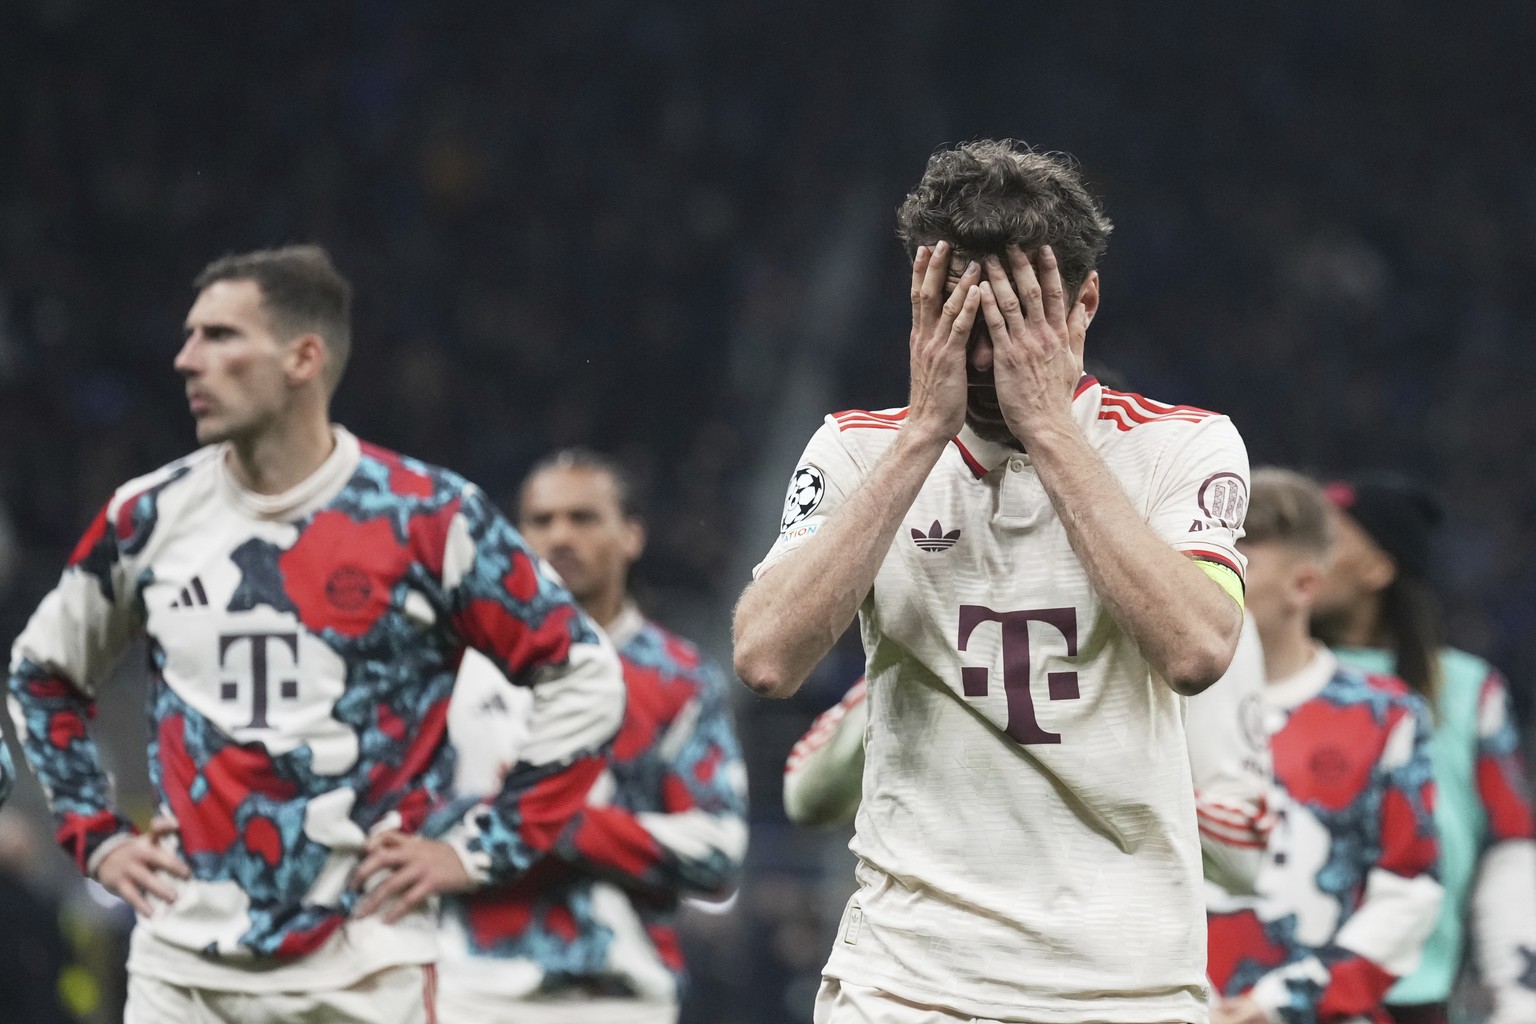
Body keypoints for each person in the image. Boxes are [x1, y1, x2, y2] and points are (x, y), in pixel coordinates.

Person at [5, 245, 626, 1024]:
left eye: (221, 336)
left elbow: (584, 674)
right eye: (190, 336)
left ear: (304, 357)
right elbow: (43, 673)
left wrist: (478, 850)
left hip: (364, 973)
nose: (187, 359)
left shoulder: (428, 520)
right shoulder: (148, 516)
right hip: (184, 973)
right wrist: (95, 835)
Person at [733, 138, 1251, 1023]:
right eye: (960, 319)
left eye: (1014, 320)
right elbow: (765, 658)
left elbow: (1198, 649)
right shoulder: (855, 449)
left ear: (1085, 302)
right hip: (905, 981)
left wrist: (1049, 429)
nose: (982, 359)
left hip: (1124, 983)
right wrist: (920, 437)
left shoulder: (1183, 445)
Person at [436, 449, 748, 1024]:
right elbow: (406, 822)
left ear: (632, 536)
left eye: (583, 518)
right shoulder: (457, 667)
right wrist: (563, 821)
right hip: (469, 991)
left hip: (620, 996)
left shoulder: (679, 677)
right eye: (541, 520)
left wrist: (546, 817)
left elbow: (718, 851)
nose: (560, 536)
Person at [785, 618, 1275, 898]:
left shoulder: (1189, 615)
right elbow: (805, 795)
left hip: (1106, 966)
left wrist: (1078, 774)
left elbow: (1243, 858)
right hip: (933, 963)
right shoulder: (940, 587)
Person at [1205, 468, 1442, 1024]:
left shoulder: (1384, 715)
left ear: (1303, 585)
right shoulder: (1160, 707)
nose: (1212, 577)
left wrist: (1283, 1001)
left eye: (1240, 560)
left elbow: (1408, 894)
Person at [1313, 474, 1536, 1024]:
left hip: (1413, 993)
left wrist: (1519, 993)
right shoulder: (1257, 682)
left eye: (1324, 539)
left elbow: (1509, 845)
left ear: (1378, 569)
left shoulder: (1466, 689)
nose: (1302, 556)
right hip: (1275, 990)